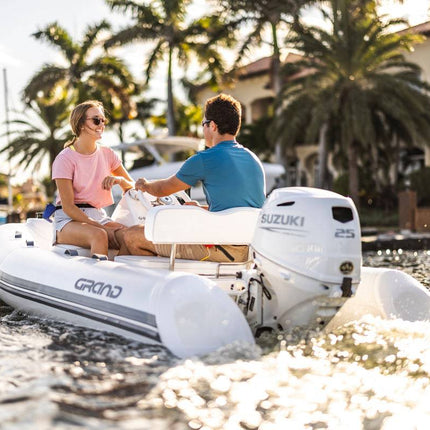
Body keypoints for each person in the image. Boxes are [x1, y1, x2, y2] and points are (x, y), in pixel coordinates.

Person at [116, 93, 266, 262]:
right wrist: (201, 209)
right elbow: (237, 209)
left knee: (132, 235)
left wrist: (144, 185)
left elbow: (162, 189)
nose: (203, 129)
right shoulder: (253, 159)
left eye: (204, 124)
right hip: (250, 251)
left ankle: (161, 285)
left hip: (220, 250)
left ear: (213, 126)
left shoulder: (205, 158)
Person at [52, 100, 134, 257]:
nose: (101, 125)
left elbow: (131, 186)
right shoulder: (64, 159)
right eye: (96, 120)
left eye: (103, 120)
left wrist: (120, 181)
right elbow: (68, 207)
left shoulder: (108, 154)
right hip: (67, 220)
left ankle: (118, 275)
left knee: (129, 236)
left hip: (99, 215)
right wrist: (96, 225)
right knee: (99, 235)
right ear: (81, 124)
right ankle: (102, 277)